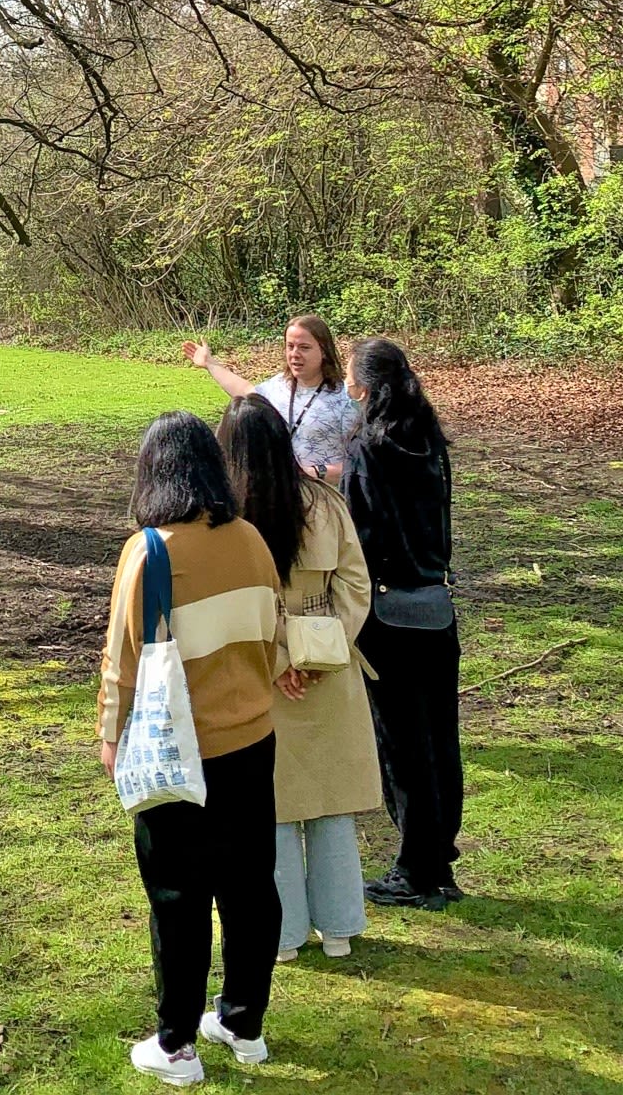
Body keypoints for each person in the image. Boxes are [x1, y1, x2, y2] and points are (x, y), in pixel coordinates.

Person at [100, 412, 288, 1083]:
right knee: (249, 888)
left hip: (174, 751)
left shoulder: (148, 551)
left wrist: (109, 737)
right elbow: (273, 638)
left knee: (178, 897)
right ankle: (244, 1022)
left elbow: (121, 666)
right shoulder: (253, 543)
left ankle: (176, 1044)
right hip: (252, 740)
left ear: (153, 472)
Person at [223, 394, 381, 962]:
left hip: (257, 672)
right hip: (328, 664)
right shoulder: (326, 503)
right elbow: (355, 586)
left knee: (273, 807)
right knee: (331, 801)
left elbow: (231, 606)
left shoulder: (225, 520)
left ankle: (283, 934)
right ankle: (339, 926)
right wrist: (319, 652)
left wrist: (280, 660)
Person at [342, 338, 463, 910]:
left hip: (387, 611)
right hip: (436, 608)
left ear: (366, 387)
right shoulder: (432, 445)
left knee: (401, 745)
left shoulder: (368, 448)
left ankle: (416, 868)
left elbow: (359, 537)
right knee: (439, 736)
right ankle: (438, 858)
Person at [185, 315, 359, 482]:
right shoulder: (277, 387)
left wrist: (313, 472)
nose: (295, 354)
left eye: (304, 347)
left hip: (323, 502)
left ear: (324, 351)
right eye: (290, 346)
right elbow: (246, 391)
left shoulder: (345, 399)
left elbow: (357, 464)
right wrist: (210, 363)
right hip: (279, 498)